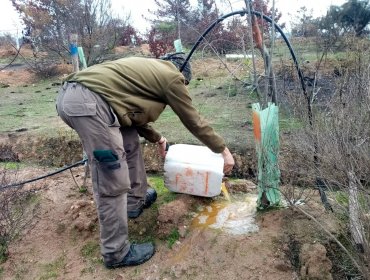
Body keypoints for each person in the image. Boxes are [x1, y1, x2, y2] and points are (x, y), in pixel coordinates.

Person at [56, 52, 235, 269]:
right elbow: (193, 121)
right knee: (112, 175)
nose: (183, 87)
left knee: (129, 141)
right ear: (183, 75)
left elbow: (130, 113)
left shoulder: (148, 72)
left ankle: (134, 202)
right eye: (184, 84)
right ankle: (116, 252)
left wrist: (157, 138)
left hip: (86, 100)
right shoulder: (172, 78)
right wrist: (223, 150)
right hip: (88, 105)